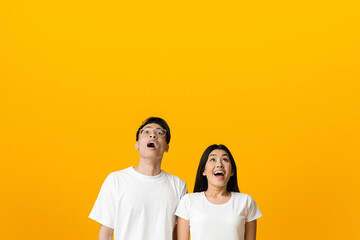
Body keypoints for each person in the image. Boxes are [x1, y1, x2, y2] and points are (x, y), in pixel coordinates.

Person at [89, 117, 187, 240]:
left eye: (160, 133)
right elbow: (106, 233)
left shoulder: (178, 185)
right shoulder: (116, 180)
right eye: (146, 132)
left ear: (167, 147)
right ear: (137, 144)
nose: (153, 136)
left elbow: (178, 234)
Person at [175, 144, 262, 240]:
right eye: (213, 159)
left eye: (225, 159)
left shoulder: (246, 201)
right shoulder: (188, 201)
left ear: (232, 171)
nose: (219, 164)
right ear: (203, 170)